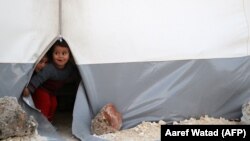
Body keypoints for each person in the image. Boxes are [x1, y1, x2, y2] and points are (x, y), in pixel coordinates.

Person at [23, 39, 79, 122]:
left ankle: (48, 122)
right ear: (52, 55)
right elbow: (39, 78)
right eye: (56, 53)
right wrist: (29, 88)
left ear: (69, 55)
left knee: (54, 104)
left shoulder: (69, 68)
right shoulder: (50, 68)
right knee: (45, 103)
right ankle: (41, 123)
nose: (60, 56)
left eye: (64, 53)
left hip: (51, 91)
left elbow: (74, 75)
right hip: (41, 88)